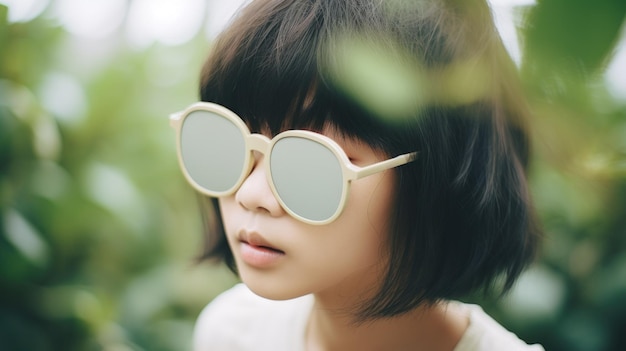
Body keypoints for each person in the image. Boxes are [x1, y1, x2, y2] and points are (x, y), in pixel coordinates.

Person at [170, 0, 544, 349]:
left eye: (311, 161)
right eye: (230, 143)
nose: (251, 194)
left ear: (435, 182)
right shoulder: (233, 333)